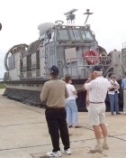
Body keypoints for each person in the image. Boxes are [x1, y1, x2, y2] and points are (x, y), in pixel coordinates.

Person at [40, 65, 71, 157]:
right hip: (62, 109)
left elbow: (42, 98)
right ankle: (67, 148)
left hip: (51, 110)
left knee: (54, 131)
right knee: (64, 129)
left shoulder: (47, 84)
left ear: (50, 73)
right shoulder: (62, 83)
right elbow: (67, 95)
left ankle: (56, 150)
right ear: (58, 74)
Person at [83, 65, 109, 153]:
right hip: (102, 104)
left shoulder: (93, 82)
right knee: (102, 123)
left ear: (94, 73)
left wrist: (89, 78)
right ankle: (105, 143)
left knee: (95, 125)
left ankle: (98, 145)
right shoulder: (106, 81)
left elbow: (85, 87)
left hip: (94, 105)